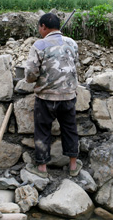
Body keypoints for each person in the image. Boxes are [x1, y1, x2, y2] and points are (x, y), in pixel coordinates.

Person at [24, 13, 81, 178]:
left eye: (39, 28)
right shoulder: (71, 43)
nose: (39, 30)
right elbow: (74, 64)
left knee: (42, 130)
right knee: (70, 129)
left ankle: (42, 168)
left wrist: (32, 79)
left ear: (43, 27)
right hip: (68, 96)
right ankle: (73, 166)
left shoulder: (40, 45)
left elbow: (30, 74)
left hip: (46, 98)